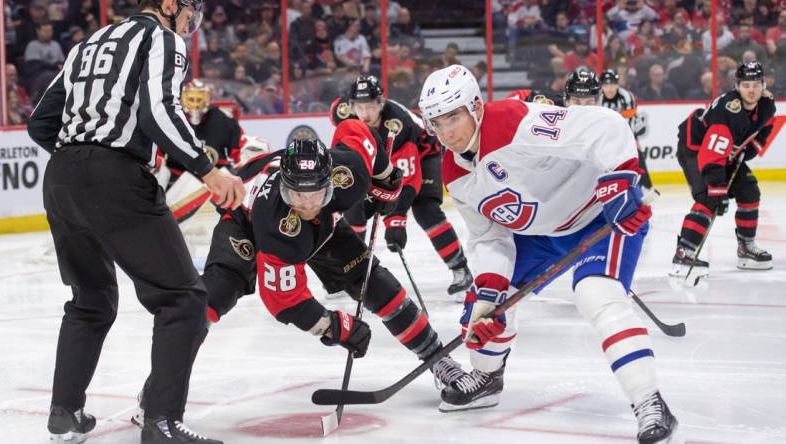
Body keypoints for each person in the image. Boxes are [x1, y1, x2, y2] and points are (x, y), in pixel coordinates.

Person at [131, 121, 469, 426]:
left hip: (324, 228)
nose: (307, 205)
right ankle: (158, 395)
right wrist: (335, 326)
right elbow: (283, 301)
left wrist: (384, 177)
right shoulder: (275, 223)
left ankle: (440, 361)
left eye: (316, 194)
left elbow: (357, 130)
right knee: (210, 299)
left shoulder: (348, 172)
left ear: (331, 182)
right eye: (297, 195)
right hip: (244, 223)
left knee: (375, 281)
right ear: (283, 188)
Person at [418, 65, 677, 444]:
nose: (447, 133)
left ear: (475, 107)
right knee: (483, 307)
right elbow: (489, 235)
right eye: (436, 124)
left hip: (600, 216)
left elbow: (605, 125)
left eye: (453, 118)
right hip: (542, 236)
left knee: (595, 294)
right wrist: (490, 290)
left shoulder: (512, 123)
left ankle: (649, 402)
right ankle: (488, 378)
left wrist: (620, 178)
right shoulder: (453, 171)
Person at [26, 0, 247, 443]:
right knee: (184, 299)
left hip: (61, 179)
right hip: (115, 177)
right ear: (168, 4)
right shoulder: (162, 37)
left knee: (90, 299)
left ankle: (65, 413)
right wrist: (208, 171)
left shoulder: (88, 43)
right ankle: (161, 424)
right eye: (189, 10)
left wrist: (81, 158)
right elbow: (158, 110)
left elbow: (40, 123)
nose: (191, 22)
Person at [330, 75, 473, 300]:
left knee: (426, 210)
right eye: (359, 106)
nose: (365, 113)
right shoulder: (344, 117)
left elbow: (407, 179)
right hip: (380, 159)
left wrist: (396, 219)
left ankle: (460, 269)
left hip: (424, 155)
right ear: (350, 106)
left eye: (370, 106)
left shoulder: (397, 126)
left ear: (381, 103)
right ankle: (350, 274)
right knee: (354, 209)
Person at [671, 61, 776, 277]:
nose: (752, 90)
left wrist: (749, 151)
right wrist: (718, 191)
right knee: (709, 199)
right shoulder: (728, 110)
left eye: (756, 84)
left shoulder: (767, 103)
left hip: (725, 151)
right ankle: (684, 252)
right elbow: (711, 156)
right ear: (737, 86)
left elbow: (765, 127)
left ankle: (746, 247)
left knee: (749, 190)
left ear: (763, 85)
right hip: (695, 149)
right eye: (746, 85)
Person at [160, 79, 243, 190]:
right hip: (177, 178)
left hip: (216, 177)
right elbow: (158, 153)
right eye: (191, 99)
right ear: (183, 99)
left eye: (199, 99)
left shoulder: (225, 119)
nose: (195, 104)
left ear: (207, 99)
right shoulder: (169, 119)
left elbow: (239, 149)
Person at [599, 68, 656, 195]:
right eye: (606, 84)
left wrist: (630, 140)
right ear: (602, 86)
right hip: (607, 134)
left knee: (637, 156)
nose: (609, 88)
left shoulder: (626, 96)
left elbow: (629, 119)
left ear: (617, 84)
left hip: (627, 132)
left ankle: (647, 187)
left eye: (612, 84)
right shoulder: (598, 98)